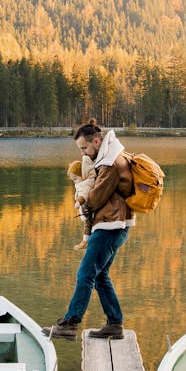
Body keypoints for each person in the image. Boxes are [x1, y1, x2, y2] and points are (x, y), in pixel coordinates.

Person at [44, 120, 134, 340]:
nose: (83, 152)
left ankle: (69, 324)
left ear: (96, 141)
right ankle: (114, 323)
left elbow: (96, 197)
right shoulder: (107, 157)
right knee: (100, 275)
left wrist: (82, 199)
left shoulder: (111, 162)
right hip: (115, 225)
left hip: (109, 226)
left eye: (84, 148)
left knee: (85, 273)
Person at [67, 154, 96, 249]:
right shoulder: (85, 181)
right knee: (89, 225)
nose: (75, 182)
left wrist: (78, 202)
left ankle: (85, 242)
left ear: (83, 175)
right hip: (88, 209)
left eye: (75, 179)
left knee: (88, 224)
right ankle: (87, 241)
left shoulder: (86, 184)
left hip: (89, 209)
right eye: (73, 180)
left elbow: (84, 194)